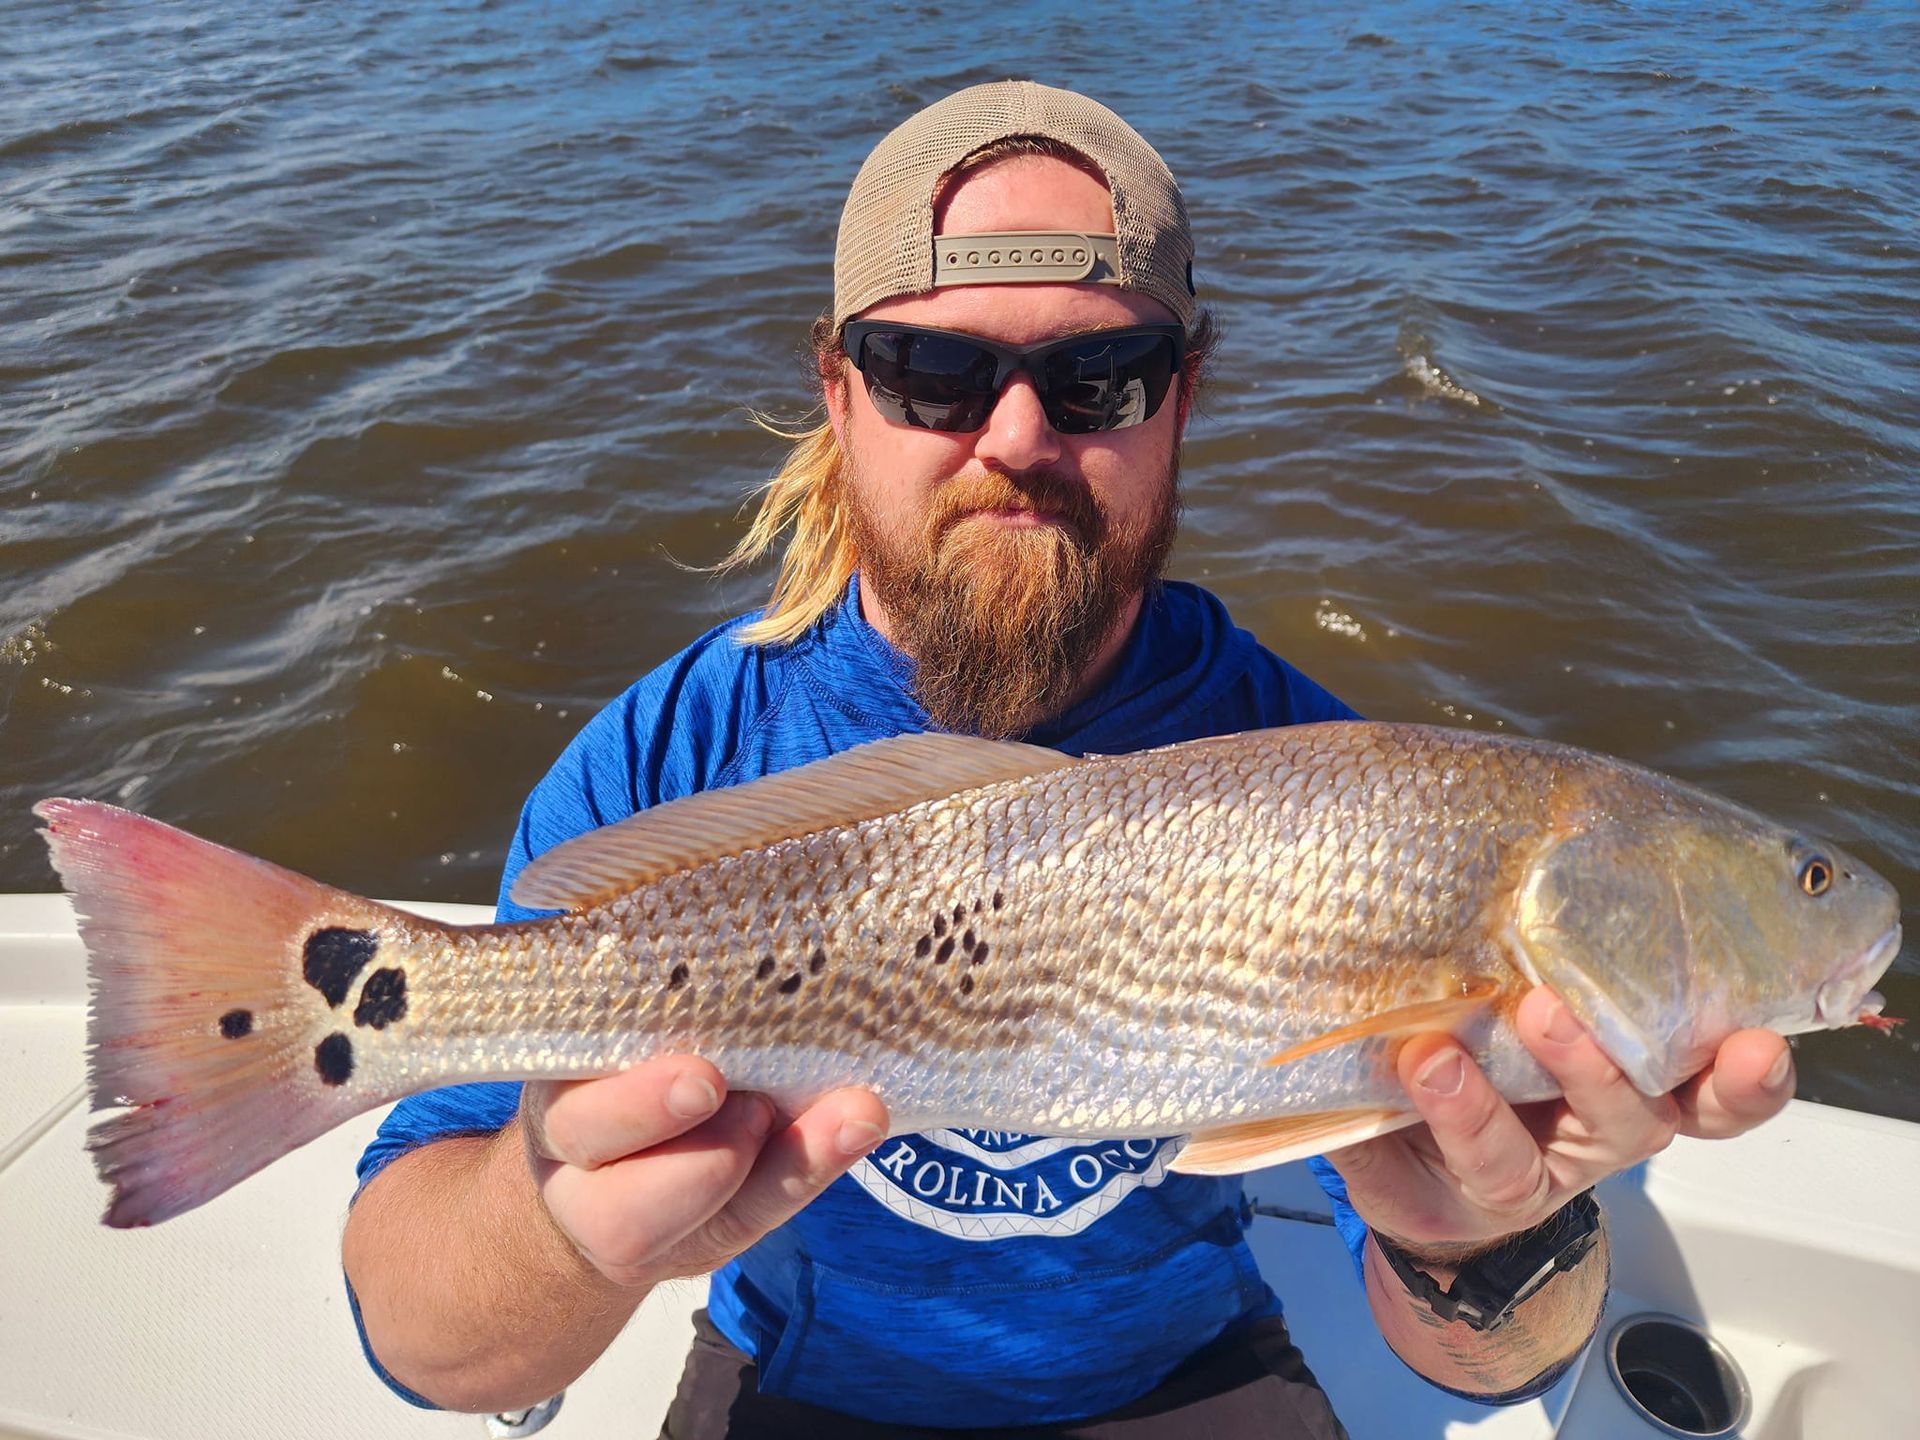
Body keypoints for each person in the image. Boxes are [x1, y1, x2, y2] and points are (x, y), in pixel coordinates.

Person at [340, 81, 1796, 1438]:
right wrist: (550, 1226)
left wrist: (1475, 1229)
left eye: (1101, 375)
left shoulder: (1341, 785)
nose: (1019, 436)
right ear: (840, 391)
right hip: (799, 1380)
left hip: (1189, 1376)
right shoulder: (675, 753)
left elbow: (1492, 1364)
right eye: (932, 372)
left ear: (1186, 393)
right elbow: (434, 1351)